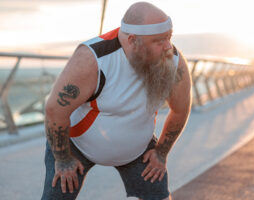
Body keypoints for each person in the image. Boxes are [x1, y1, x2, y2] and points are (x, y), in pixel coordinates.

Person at [41, 1, 191, 200]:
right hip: (77, 145)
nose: (167, 47)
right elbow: (55, 111)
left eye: (169, 38)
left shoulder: (173, 61)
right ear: (132, 40)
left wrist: (161, 152)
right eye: (158, 41)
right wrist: (62, 158)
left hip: (138, 149)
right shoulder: (93, 59)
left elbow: (180, 110)